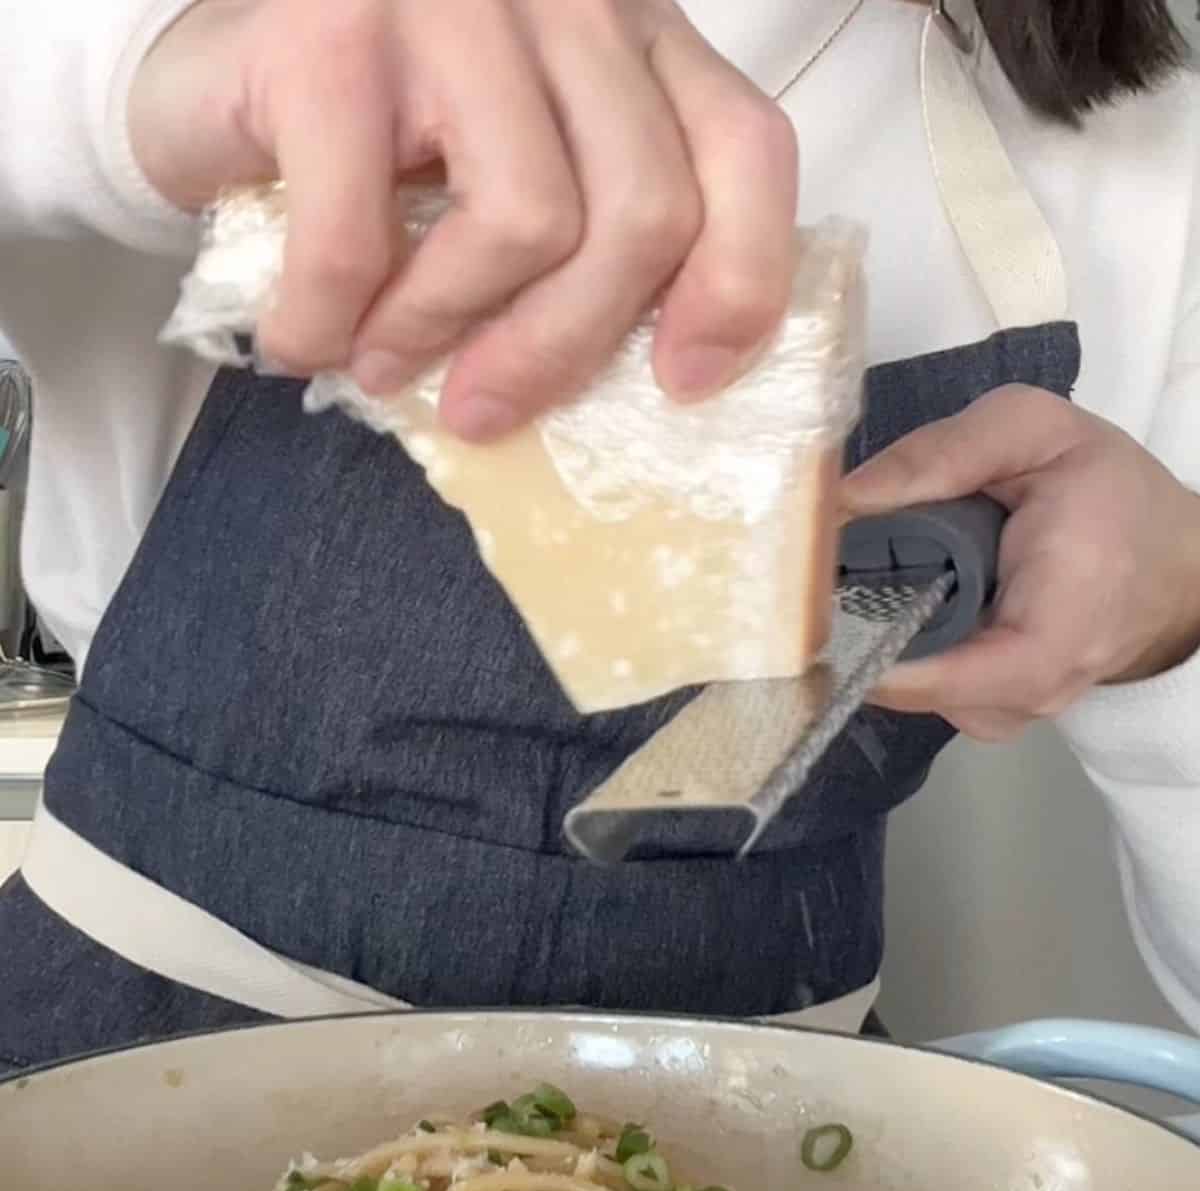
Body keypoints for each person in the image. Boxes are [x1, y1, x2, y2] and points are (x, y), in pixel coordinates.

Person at [0, 0, 1197, 1074]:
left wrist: (1178, 629)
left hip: (757, 1188)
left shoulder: (1141, 153)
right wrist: (146, 72)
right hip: (119, 1075)